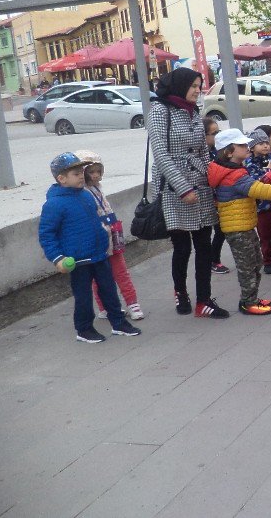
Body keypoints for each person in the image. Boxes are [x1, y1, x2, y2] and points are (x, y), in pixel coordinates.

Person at [148, 68, 227, 319]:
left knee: (204, 244)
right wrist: (183, 188)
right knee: (182, 247)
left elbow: (203, 149)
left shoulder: (193, 111)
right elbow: (160, 154)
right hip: (174, 187)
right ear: (180, 85)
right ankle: (181, 293)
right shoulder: (159, 110)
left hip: (201, 185)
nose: (197, 89)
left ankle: (204, 300)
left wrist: (211, 179)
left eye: (199, 85)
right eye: (193, 85)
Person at [39, 153, 141, 343]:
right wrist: (57, 258)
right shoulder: (54, 204)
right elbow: (47, 235)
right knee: (83, 297)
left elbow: (96, 221)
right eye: (76, 173)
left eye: (81, 172)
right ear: (61, 179)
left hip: (99, 255)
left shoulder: (86, 195)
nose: (81, 176)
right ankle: (84, 329)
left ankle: (118, 323)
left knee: (109, 291)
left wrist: (105, 239)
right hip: (77, 261)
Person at [207, 128, 271, 316]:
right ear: (228, 152)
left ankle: (252, 298)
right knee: (248, 267)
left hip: (244, 225)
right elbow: (260, 190)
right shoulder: (234, 176)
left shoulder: (235, 169)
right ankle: (248, 302)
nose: (246, 146)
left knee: (256, 263)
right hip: (238, 228)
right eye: (240, 145)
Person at [75, 150, 144, 321]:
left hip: (111, 233)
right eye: (91, 172)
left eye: (99, 171)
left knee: (121, 272)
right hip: (96, 238)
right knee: (97, 276)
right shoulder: (81, 194)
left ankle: (132, 303)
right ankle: (104, 307)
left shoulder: (98, 189)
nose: (96, 176)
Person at [246, 127, 271, 285]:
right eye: (260, 143)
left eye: (266, 142)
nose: (265, 146)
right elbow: (256, 183)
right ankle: (268, 260)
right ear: (252, 147)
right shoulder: (250, 163)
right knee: (265, 235)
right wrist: (269, 173)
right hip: (262, 206)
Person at [203, 118, 230, 275]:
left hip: (220, 197)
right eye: (214, 133)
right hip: (210, 200)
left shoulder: (216, 150)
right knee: (219, 230)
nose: (217, 136)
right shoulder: (204, 155)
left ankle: (212, 259)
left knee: (222, 230)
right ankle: (213, 260)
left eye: (219, 132)